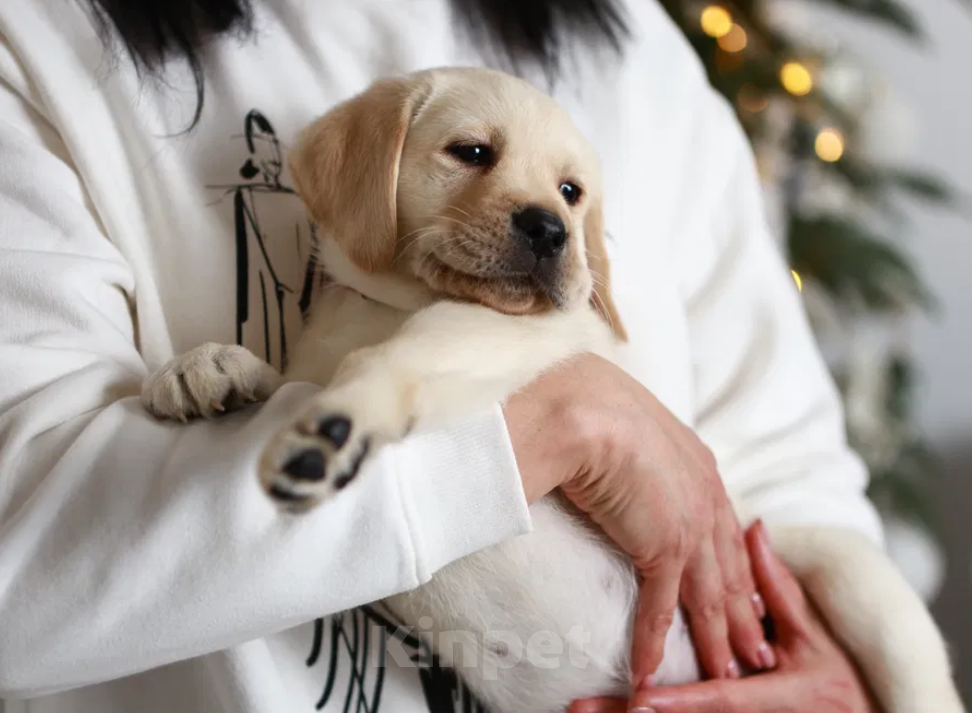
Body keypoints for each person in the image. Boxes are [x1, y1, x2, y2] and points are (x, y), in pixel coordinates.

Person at [0, 1, 883, 712]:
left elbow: (792, 478)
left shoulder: (639, 50)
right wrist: (557, 422)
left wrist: (849, 691)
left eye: (571, 199)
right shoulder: (43, 34)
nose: (546, 219)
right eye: (470, 155)